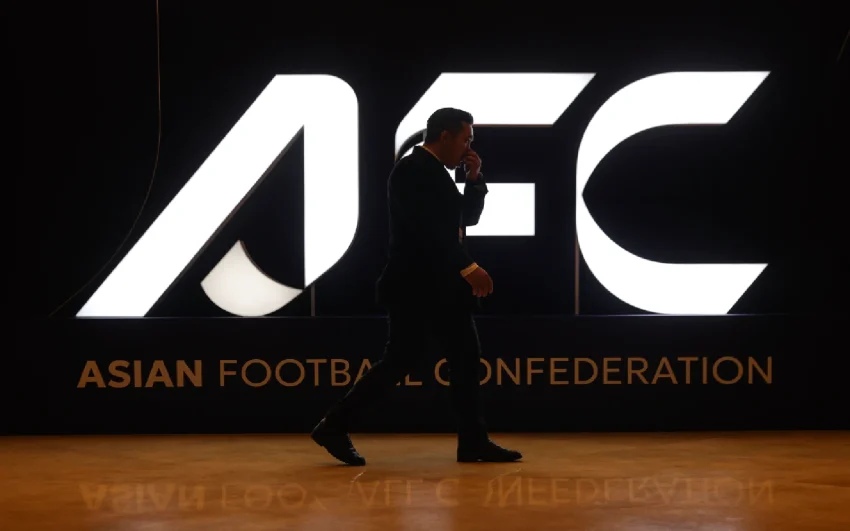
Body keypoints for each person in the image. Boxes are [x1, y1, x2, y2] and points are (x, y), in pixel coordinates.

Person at [310, 108, 522, 465]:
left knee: (464, 361)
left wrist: (474, 179)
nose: (469, 147)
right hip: (416, 287)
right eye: (466, 139)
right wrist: (468, 266)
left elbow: (466, 219)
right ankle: (334, 425)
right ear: (445, 136)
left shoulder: (435, 172)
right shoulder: (412, 170)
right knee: (401, 361)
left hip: (440, 289)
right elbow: (428, 231)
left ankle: (473, 442)